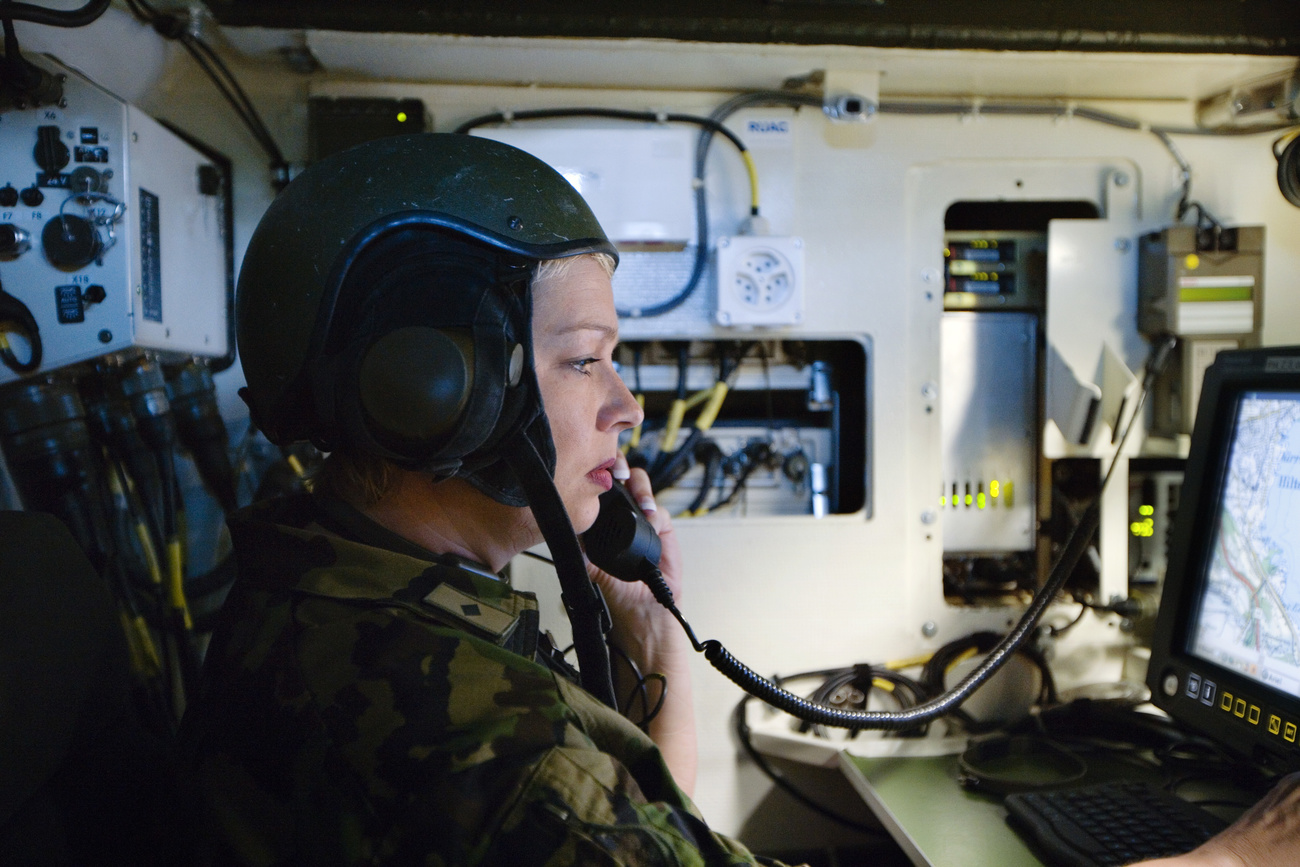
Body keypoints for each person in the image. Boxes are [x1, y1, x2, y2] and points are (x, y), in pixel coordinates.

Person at [181, 132, 1300, 867]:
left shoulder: (333, 595)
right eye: (583, 361)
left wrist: (653, 633)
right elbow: (583, 811)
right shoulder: (479, 739)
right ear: (433, 398)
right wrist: (1226, 862)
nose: (624, 405)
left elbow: (646, 826)